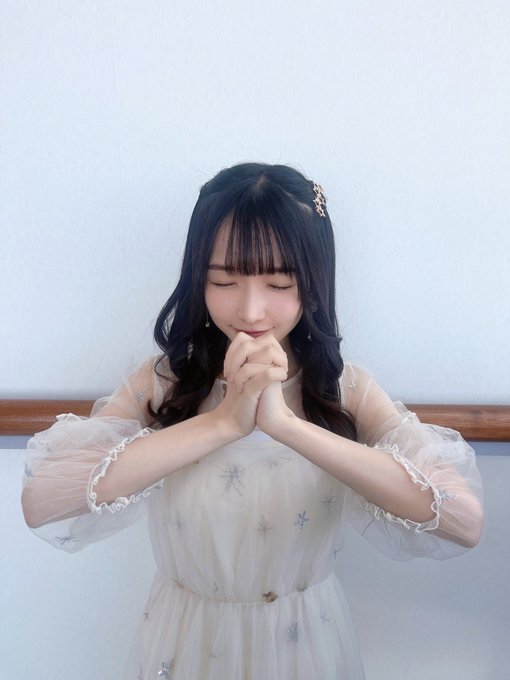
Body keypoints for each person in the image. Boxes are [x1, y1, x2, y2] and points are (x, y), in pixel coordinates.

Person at [21, 162, 484, 679]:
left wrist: (285, 425)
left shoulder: (343, 388)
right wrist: (224, 422)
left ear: (314, 282)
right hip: (187, 644)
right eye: (224, 280)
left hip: (306, 644)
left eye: (279, 282)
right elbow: (42, 500)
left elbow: (461, 520)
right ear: (198, 277)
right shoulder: (165, 381)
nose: (251, 310)